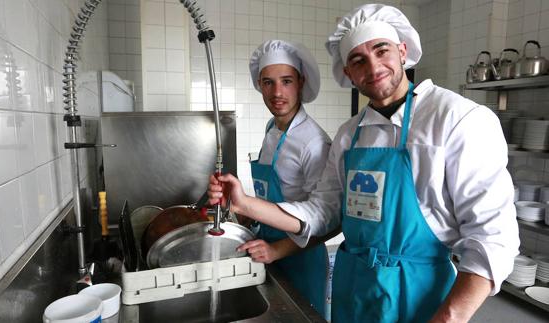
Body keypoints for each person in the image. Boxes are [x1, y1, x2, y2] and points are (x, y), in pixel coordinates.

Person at [209, 4, 520, 323]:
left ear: (403, 50)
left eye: (381, 50)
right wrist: (244, 203)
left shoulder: (456, 119)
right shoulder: (349, 135)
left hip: (422, 298)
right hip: (355, 292)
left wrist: (449, 317)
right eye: (358, 60)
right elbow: (324, 212)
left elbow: (493, 236)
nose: (372, 67)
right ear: (347, 72)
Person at [238, 39, 332, 317]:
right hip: (267, 246)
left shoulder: (313, 143)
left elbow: (327, 222)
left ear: (301, 82)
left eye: (286, 81)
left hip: (300, 258)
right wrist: (250, 214)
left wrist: (277, 250)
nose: (276, 92)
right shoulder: (272, 128)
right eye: (268, 82)